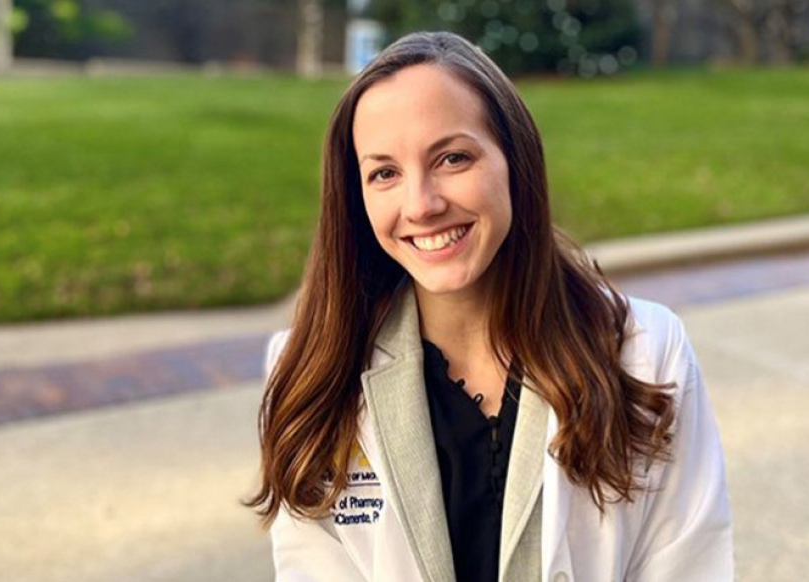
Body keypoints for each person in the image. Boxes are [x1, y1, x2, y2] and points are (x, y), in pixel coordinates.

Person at [247, 31, 733, 582]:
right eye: (384, 173)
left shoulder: (645, 351)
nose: (421, 205)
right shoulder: (310, 374)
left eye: (453, 158)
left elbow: (688, 565)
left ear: (514, 160)